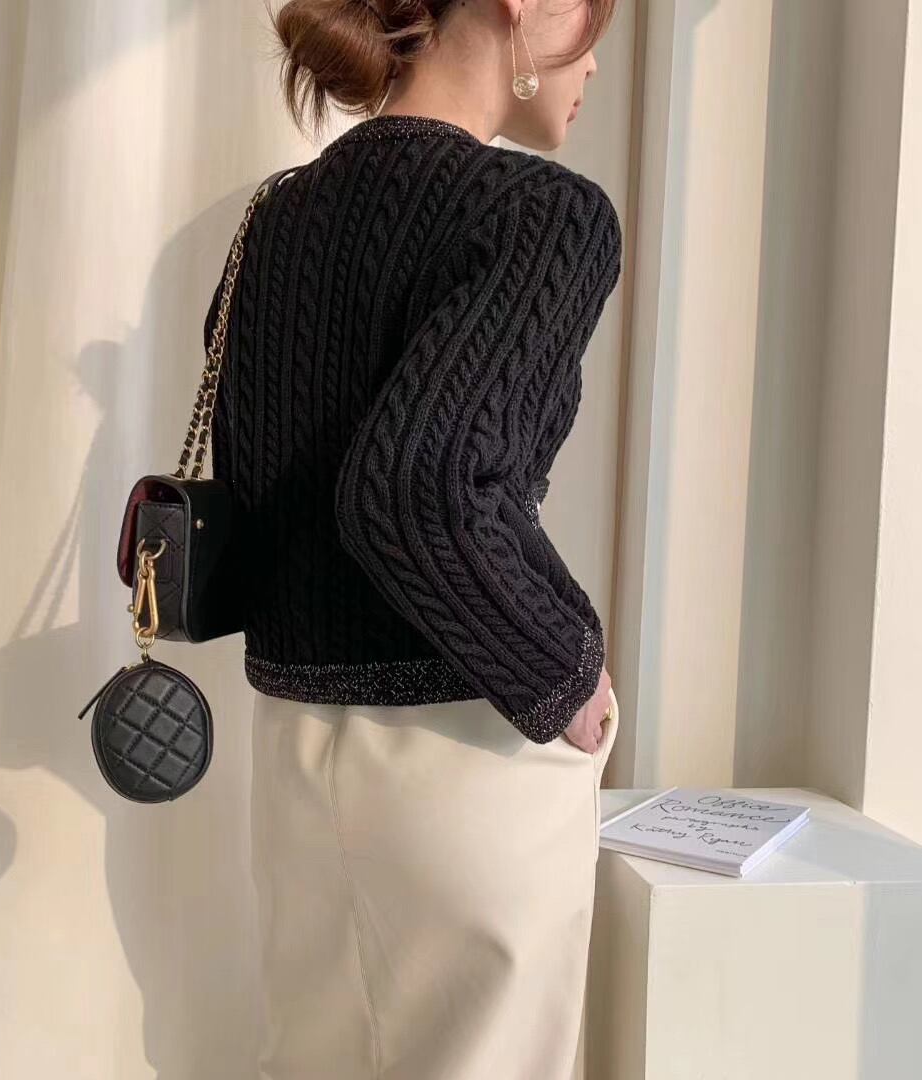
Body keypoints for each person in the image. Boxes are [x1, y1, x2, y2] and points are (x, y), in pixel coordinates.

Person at [207, 1, 623, 1075]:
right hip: (465, 751)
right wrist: (568, 671)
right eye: (594, 18)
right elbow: (415, 488)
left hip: (297, 755)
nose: (595, 61)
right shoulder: (543, 214)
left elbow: (274, 485)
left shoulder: (277, 216)